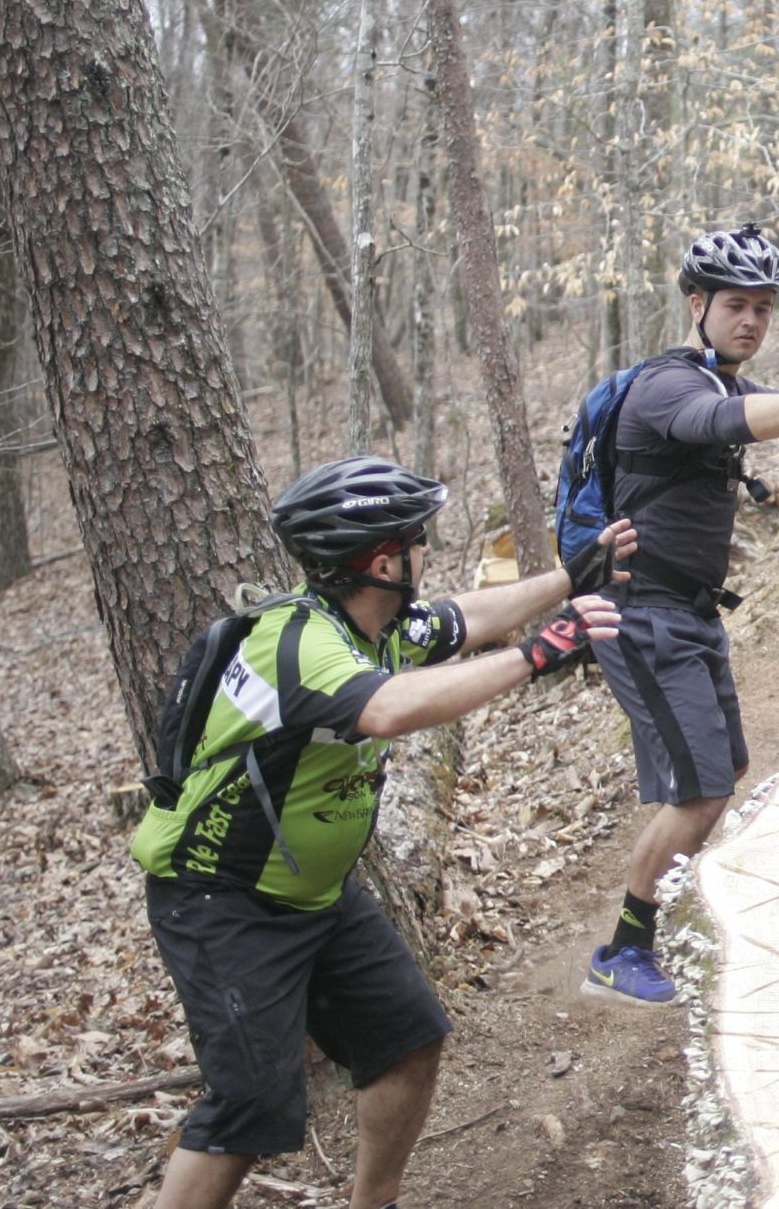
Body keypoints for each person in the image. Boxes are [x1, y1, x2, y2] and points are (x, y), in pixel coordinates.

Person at [134, 457, 628, 1209]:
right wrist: (533, 656)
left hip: (315, 895)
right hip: (220, 899)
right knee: (250, 1107)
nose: (426, 552)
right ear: (380, 560)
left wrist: (570, 578)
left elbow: (468, 616)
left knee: (407, 1039)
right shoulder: (299, 644)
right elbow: (388, 708)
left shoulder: (380, 623)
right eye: (416, 539)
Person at [581, 224, 779, 1005]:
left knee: (726, 771)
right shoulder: (668, 387)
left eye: (762, 307)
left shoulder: (718, 379)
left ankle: (662, 901)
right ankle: (623, 947)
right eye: (735, 305)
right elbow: (719, 425)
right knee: (703, 791)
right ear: (697, 303)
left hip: (689, 615)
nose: (751, 320)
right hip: (640, 615)